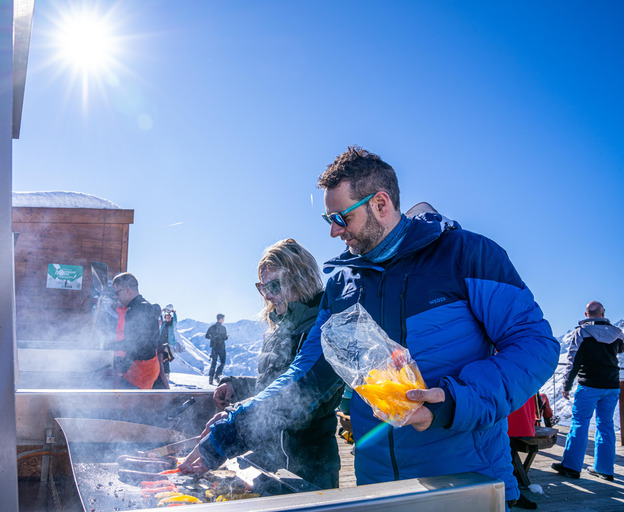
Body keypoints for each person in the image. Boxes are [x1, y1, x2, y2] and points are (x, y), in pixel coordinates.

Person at [181, 146, 559, 506]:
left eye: (341, 217)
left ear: (380, 203)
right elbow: (306, 376)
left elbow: (535, 344)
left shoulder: (467, 256)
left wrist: (453, 401)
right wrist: (231, 431)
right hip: (379, 488)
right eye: (328, 220)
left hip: (464, 480)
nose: (334, 231)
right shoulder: (342, 287)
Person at [209, 238, 342, 489]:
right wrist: (235, 386)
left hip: (308, 472)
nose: (268, 295)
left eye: (274, 285)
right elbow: (270, 386)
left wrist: (234, 424)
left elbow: (297, 401)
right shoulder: (278, 330)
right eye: (262, 287)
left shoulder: (321, 330)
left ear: (300, 279)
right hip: (271, 464)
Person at [552, 301, 624, 482]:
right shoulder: (617, 334)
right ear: (603, 313)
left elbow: (573, 362)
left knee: (580, 423)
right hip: (612, 386)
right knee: (606, 425)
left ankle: (571, 467)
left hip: (589, 386)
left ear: (586, 315)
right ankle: (605, 469)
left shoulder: (581, 333)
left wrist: (566, 386)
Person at [109, 272, 161, 389]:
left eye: (117, 293)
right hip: (148, 365)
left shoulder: (136, 309)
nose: (116, 297)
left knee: (129, 405)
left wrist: (121, 370)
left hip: (141, 369)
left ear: (127, 290)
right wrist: (110, 346)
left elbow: (136, 344)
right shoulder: (144, 306)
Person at [206, 314, 228, 385]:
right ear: (220, 319)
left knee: (213, 363)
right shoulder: (223, 328)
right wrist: (226, 337)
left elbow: (206, 336)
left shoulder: (212, 327)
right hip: (221, 347)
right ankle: (217, 375)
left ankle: (211, 379)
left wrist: (213, 338)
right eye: (223, 319)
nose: (223, 321)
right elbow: (225, 338)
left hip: (214, 347)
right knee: (223, 362)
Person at [158, 304, 178, 382]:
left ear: (171, 318)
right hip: (161, 343)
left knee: (166, 358)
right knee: (161, 358)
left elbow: (175, 321)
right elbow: (159, 318)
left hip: (168, 344)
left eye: (169, 317)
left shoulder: (172, 325)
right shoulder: (163, 324)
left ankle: (166, 373)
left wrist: (174, 313)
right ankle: (162, 372)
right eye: (166, 317)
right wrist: (161, 312)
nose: (167, 318)